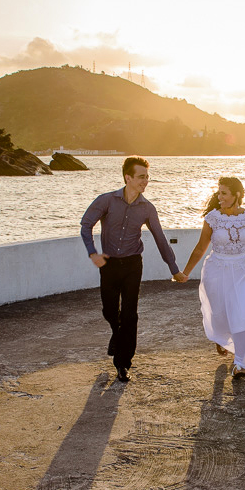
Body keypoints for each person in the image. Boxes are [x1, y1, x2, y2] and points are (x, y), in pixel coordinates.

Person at [81, 156, 183, 382]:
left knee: (130, 314)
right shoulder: (106, 201)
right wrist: (93, 252)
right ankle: (117, 336)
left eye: (147, 177)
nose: (145, 181)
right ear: (128, 177)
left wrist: (174, 269)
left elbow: (160, 239)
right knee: (109, 311)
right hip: (109, 264)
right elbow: (86, 224)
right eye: (141, 177)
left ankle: (123, 363)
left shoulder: (147, 208)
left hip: (133, 265)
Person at [177, 176, 245, 378]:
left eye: (224, 193)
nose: (219, 196)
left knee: (242, 314)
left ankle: (240, 362)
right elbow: (200, 248)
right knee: (220, 314)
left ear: (236, 195)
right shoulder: (213, 218)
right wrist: (185, 272)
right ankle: (221, 338)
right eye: (219, 192)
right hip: (218, 271)